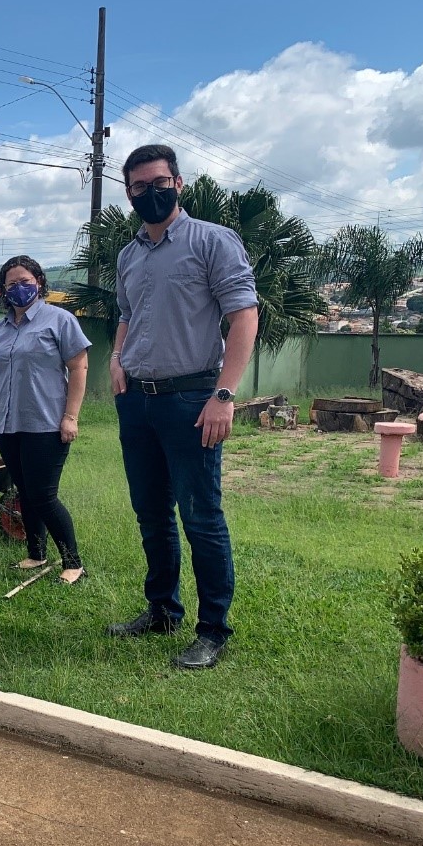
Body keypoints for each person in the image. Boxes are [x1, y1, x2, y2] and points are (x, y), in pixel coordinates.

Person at [107, 144, 259, 669]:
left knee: (201, 516)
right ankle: (162, 610)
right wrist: (116, 359)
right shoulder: (129, 256)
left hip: (194, 399)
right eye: (139, 187)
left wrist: (224, 393)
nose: (151, 193)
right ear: (128, 193)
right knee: (152, 514)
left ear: (179, 182)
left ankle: (213, 628)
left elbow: (244, 316)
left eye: (159, 182)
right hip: (137, 402)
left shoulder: (212, 241)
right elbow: (126, 314)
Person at [0, 255, 91, 585]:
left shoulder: (59, 320)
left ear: (40, 283)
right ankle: (36, 553)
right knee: (25, 492)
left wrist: (71, 416)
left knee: (43, 495)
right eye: (11, 283)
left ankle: (73, 563)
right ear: (3, 289)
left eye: (25, 281)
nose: (19, 288)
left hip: (46, 424)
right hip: (8, 424)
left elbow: (78, 368)